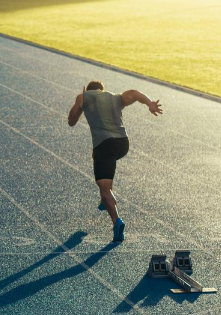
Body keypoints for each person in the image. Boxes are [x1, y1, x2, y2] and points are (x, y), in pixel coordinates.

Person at [67, 80, 163, 241]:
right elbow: (134, 92)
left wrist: (80, 104)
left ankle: (116, 220)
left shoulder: (84, 96)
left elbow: (71, 121)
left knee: (104, 187)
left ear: (90, 90)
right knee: (104, 165)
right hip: (122, 144)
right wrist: (149, 103)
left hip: (104, 145)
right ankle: (105, 198)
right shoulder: (115, 97)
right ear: (102, 89)